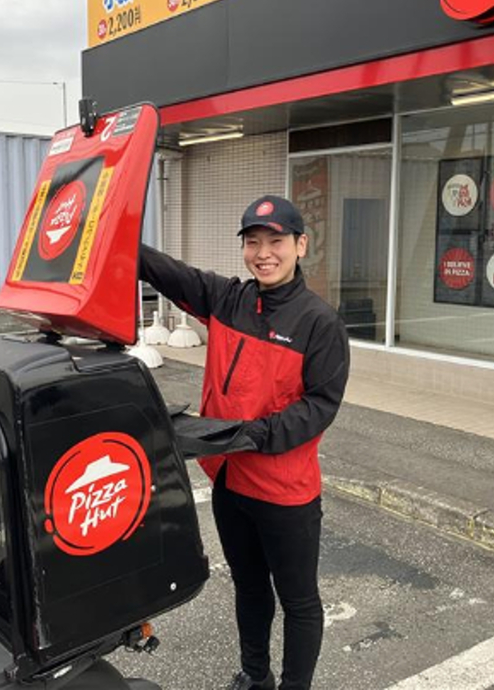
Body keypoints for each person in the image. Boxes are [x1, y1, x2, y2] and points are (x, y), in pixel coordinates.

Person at [138, 195, 350, 690]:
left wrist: (255, 435)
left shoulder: (319, 322)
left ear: (301, 245)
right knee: (249, 587)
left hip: (285, 493)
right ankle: (256, 676)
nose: (263, 253)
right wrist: (110, 232)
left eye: (276, 241)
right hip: (231, 484)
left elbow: (320, 405)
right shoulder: (228, 299)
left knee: (299, 601)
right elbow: (167, 272)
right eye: (253, 242)